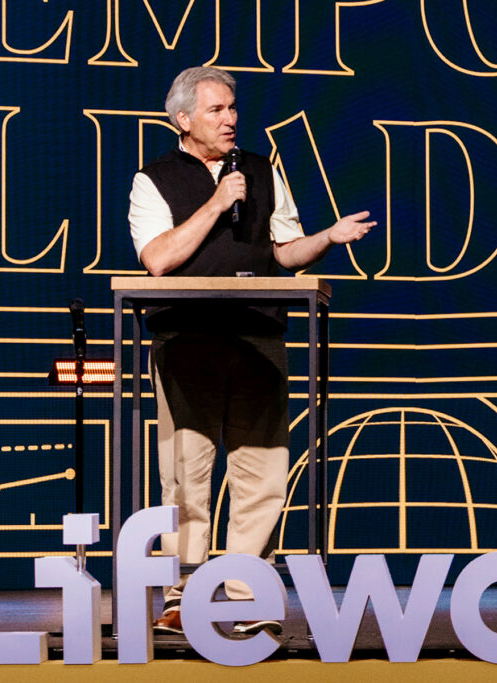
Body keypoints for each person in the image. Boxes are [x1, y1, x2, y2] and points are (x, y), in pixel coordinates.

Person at [127, 66, 375, 637]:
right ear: (183, 119)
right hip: (186, 339)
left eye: (232, 108)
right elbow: (158, 259)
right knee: (185, 476)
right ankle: (182, 597)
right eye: (216, 110)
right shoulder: (153, 179)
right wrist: (217, 203)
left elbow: (285, 252)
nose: (230, 119)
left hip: (257, 335)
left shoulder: (261, 170)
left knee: (261, 474)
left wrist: (327, 238)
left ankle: (247, 594)